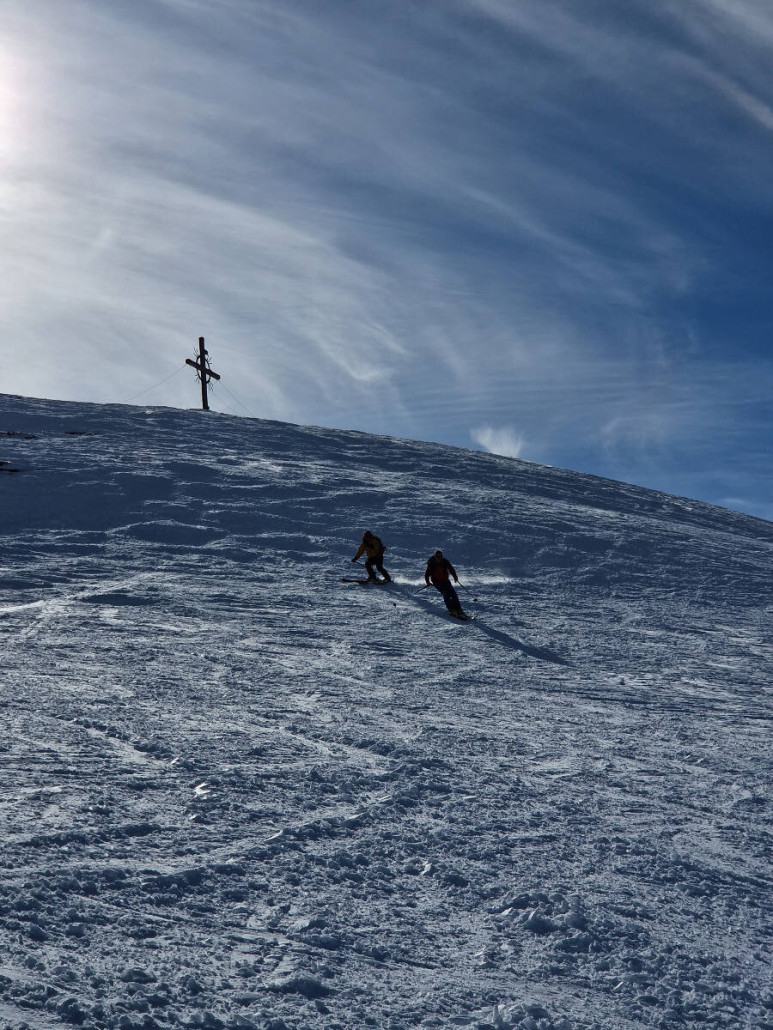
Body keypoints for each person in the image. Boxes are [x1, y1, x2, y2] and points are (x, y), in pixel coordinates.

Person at [425, 549, 466, 618]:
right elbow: (426, 574)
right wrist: (428, 582)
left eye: (440, 557)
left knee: (453, 594)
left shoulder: (445, 561)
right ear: (435, 557)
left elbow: (451, 569)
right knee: (446, 594)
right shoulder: (431, 563)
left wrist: (455, 576)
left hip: (445, 580)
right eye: (437, 557)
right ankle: (451, 610)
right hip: (437, 581)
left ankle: (458, 609)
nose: (439, 559)